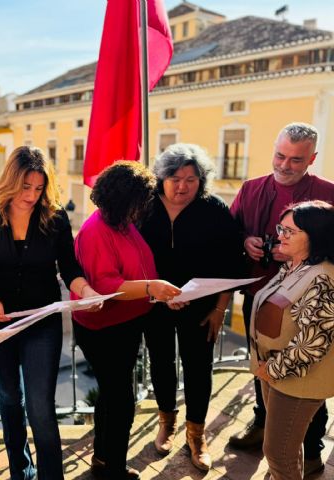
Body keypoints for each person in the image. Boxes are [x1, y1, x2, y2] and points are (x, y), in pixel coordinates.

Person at [0, 146, 100, 480]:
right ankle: (20, 473)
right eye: (25, 187)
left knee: (40, 407)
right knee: (10, 398)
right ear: (11, 182)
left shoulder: (54, 219)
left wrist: (86, 292)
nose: (31, 195)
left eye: (38, 188)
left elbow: (69, 268)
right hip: (0, 322)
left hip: (42, 321)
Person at [229, 122, 334, 475]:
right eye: (279, 155)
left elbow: (311, 347)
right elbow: (232, 232)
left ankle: (312, 447)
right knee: (266, 375)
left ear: (312, 159)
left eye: (295, 159)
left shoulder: (328, 195)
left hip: (309, 302)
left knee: (305, 385)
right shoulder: (250, 189)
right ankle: (265, 426)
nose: (285, 165)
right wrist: (245, 241)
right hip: (262, 295)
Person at [72, 161, 182, 480]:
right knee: (121, 402)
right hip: (104, 329)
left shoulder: (122, 223)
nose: (145, 206)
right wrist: (151, 288)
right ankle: (114, 471)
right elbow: (106, 286)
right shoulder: (96, 231)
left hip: (126, 324)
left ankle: (104, 461)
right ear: (124, 200)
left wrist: (159, 294)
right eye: (140, 200)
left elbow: (140, 267)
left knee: (112, 395)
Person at [138, 144, 244, 471]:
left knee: (199, 369)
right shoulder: (144, 206)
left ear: (202, 181)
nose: (183, 186)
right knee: (161, 362)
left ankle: (196, 435)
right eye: (175, 178)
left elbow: (230, 263)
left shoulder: (213, 209)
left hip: (201, 306)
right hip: (155, 303)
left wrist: (219, 309)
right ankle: (166, 421)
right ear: (161, 178)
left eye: (191, 179)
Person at [250, 200, 334, 480]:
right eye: (280, 229)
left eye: (290, 232)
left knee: (278, 453)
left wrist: (270, 370)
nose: (280, 236)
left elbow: (312, 344)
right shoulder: (295, 265)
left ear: (315, 236)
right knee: (286, 448)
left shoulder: (323, 277)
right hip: (275, 370)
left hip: (297, 379)